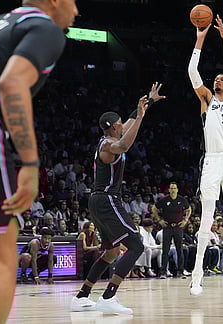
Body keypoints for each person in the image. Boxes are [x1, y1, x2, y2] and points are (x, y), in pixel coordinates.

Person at [0, 1, 78, 322]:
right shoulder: (45, 28)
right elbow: (11, 83)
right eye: (74, 1)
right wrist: (30, 163)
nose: (76, 12)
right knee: (1, 259)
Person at [70, 83, 165, 314]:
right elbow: (124, 144)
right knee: (135, 245)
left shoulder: (110, 138)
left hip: (100, 201)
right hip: (106, 200)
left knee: (112, 252)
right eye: (120, 122)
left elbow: (132, 119)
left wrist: (147, 103)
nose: (124, 124)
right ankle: (108, 296)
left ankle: (82, 296)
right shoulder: (109, 145)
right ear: (113, 127)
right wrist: (141, 119)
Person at [187, 14, 223, 296]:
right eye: (217, 77)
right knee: (206, 217)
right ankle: (197, 272)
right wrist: (199, 41)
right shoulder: (207, 100)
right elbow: (192, 73)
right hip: (211, 161)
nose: (219, 78)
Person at [152, 182, 191, 279]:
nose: (173, 190)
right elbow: (154, 208)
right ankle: (163, 272)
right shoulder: (165, 200)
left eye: (174, 188)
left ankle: (180, 271)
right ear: (169, 190)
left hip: (178, 227)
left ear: (177, 190)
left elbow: (188, 209)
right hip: (167, 227)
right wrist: (159, 220)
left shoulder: (182, 200)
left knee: (179, 250)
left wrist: (185, 220)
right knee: (165, 250)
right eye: (171, 188)